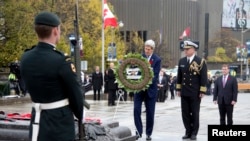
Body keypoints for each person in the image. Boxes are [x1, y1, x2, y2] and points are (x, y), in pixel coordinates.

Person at [20, 11, 84, 141]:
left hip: (37, 119)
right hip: (59, 124)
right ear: (55, 31)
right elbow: (75, 94)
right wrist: (80, 115)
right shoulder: (61, 61)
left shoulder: (25, 58)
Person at [176, 40, 207, 140]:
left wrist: (202, 91)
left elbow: (203, 77)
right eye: (185, 49)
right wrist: (178, 89)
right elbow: (179, 76)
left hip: (195, 92)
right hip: (184, 91)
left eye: (187, 49)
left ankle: (194, 132)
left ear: (193, 49)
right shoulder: (182, 61)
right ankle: (188, 131)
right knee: (185, 113)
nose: (185, 51)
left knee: (194, 112)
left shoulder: (200, 61)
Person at [134, 39, 161, 140]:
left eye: (148, 49)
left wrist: (146, 82)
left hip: (150, 90)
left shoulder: (157, 60)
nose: (146, 51)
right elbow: (135, 70)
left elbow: (155, 75)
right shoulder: (140, 58)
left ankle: (148, 133)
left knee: (150, 112)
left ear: (152, 50)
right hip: (139, 89)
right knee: (136, 109)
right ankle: (138, 131)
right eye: (145, 48)